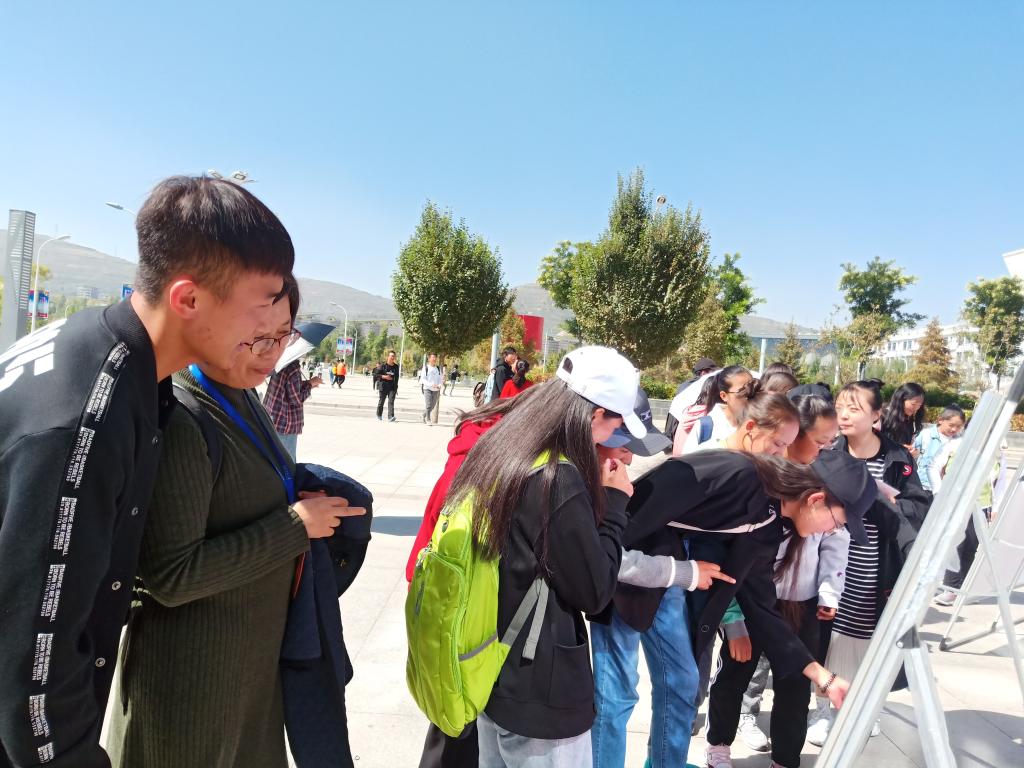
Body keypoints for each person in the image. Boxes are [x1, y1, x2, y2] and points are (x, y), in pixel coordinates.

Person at [0, 175, 295, 767]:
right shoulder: (87, 416)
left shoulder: (110, 353)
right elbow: (31, 665)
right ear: (188, 299)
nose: (271, 328)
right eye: (263, 301)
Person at [105, 278, 365, 768]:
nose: (271, 351)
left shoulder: (243, 393)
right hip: (191, 691)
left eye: (283, 335)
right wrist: (294, 526)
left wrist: (299, 499)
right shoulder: (183, 416)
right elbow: (171, 576)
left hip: (250, 675)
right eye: (257, 336)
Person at [611, 447, 877, 768]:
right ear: (816, 499)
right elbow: (645, 502)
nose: (831, 531)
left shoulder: (768, 524)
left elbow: (761, 607)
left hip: (657, 580)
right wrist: (603, 555)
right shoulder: (739, 474)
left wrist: (822, 676)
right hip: (618, 566)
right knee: (615, 694)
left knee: (681, 684)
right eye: (836, 522)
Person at [451, 346, 642, 766]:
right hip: (540, 686)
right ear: (595, 415)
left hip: (491, 662)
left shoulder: (506, 444)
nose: (617, 436)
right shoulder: (557, 478)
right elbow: (594, 592)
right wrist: (614, 504)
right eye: (618, 423)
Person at [705, 394, 846, 768]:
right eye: (819, 441)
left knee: (794, 685)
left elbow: (836, 542)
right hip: (751, 604)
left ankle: (785, 758)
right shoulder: (758, 489)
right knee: (736, 672)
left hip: (800, 603)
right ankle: (719, 744)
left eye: (831, 443)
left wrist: (829, 591)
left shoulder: (824, 489)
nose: (824, 451)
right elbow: (733, 562)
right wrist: (734, 621)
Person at [807, 380, 931, 746]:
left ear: (877, 414)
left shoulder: (897, 459)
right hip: (828, 560)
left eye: (854, 408)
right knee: (827, 634)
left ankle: (859, 706)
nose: (843, 415)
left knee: (863, 635)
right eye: (839, 407)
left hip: (875, 561)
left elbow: (917, 506)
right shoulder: (827, 452)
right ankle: (822, 708)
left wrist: (885, 501)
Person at [677, 366, 755, 454]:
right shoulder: (707, 426)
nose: (750, 396)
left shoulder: (760, 424)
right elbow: (688, 460)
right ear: (724, 396)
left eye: (754, 390)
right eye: (743, 392)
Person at [264, 355, 322, 460]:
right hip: (285, 424)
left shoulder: (281, 361)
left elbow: (289, 386)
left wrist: (308, 383)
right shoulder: (293, 367)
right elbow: (296, 399)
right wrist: (311, 384)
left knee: (274, 458)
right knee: (287, 461)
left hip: (271, 417)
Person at [913, 405, 966, 492]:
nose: (954, 429)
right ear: (940, 420)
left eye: (959, 427)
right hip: (921, 485)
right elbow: (912, 456)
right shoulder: (926, 435)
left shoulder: (958, 441)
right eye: (951, 425)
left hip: (942, 489)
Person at [881, 382, 926, 456]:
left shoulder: (908, 419)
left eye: (919, 405)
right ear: (901, 399)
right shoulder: (882, 416)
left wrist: (912, 452)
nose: (916, 408)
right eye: (913, 404)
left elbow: (905, 444)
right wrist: (900, 448)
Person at [420, 353, 443, 425]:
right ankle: (428, 420)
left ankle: (423, 415)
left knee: (432, 406)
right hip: (427, 389)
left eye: (435, 357)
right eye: (432, 357)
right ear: (429, 359)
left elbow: (440, 379)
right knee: (428, 405)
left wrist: (439, 385)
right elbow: (423, 379)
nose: (434, 359)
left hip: (436, 390)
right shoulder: (426, 368)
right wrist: (431, 384)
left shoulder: (438, 368)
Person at [377, 351, 400, 421]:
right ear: (388, 357)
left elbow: (397, 377)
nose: (392, 357)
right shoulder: (383, 366)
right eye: (391, 356)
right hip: (383, 386)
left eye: (394, 356)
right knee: (381, 402)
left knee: (391, 402)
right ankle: (379, 414)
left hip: (392, 387)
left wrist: (396, 387)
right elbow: (376, 375)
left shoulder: (396, 367)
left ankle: (390, 416)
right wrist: (384, 377)